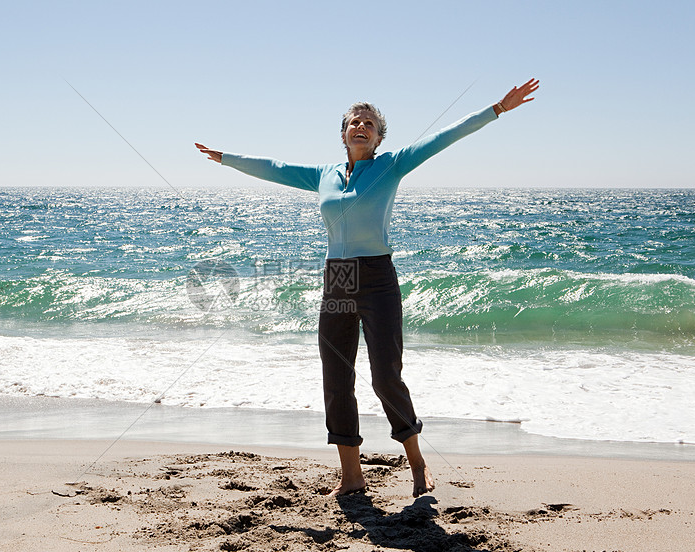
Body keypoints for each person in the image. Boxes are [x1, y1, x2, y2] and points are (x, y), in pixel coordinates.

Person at [196, 78, 539, 498]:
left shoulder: (392, 164)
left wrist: (496, 109)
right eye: (354, 121)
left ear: (378, 137)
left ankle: (417, 462)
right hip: (338, 276)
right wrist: (228, 158)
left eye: (370, 123)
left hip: (377, 275)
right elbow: (275, 168)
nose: (361, 126)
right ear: (343, 133)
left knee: (384, 377)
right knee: (337, 378)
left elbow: (444, 137)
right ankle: (351, 475)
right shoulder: (323, 175)